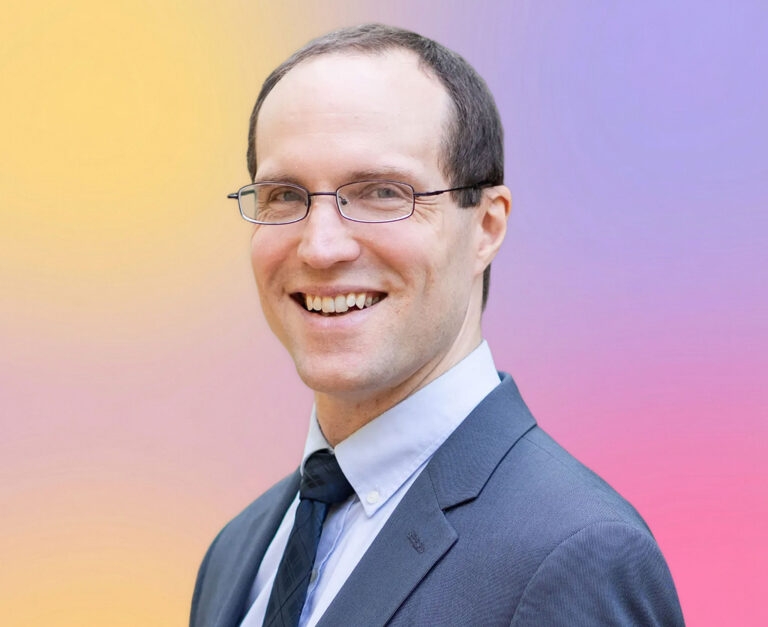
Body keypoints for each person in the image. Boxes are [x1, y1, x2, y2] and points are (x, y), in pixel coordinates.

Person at [190, 24, 684, 627]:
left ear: (487, 227)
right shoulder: (238, 553)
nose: (319, 247)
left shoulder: (575, 556)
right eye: (285, 196)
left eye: (380, 192)